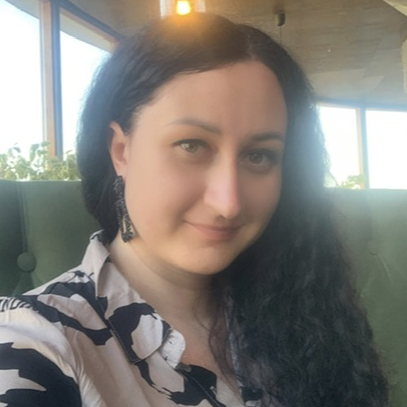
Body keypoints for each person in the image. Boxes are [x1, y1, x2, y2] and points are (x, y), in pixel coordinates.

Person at [0, 12, 388, 407]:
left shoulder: (300, 316)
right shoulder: (35, 343)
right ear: (121, 150)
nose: (228, 202)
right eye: (192, 145)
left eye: (258, 155)